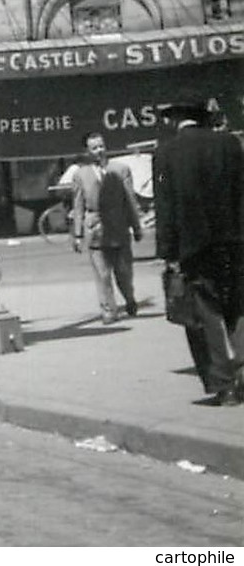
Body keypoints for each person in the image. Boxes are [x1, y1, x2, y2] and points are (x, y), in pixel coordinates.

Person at [153, 100, 244, 406]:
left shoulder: (166, 153)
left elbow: (165, 209)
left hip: (194, 248)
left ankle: (224, 385)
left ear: (175, 118)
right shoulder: (230, 144)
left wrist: (168, 253)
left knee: (206, 316)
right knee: (238, 308)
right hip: (235, 243)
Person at [71, 131, 144, 324]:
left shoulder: (121, 170)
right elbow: (78, 206)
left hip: (118, 227)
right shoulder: (80, 175)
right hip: (94, 229)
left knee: (124, 272)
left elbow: (130, 200)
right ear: (87, 151)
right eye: (94, 148)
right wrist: (77, 235)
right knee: (102, 275)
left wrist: (136, 227)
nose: (99, 151)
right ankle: (108, 310)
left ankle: (129, 297)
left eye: (101, 146)